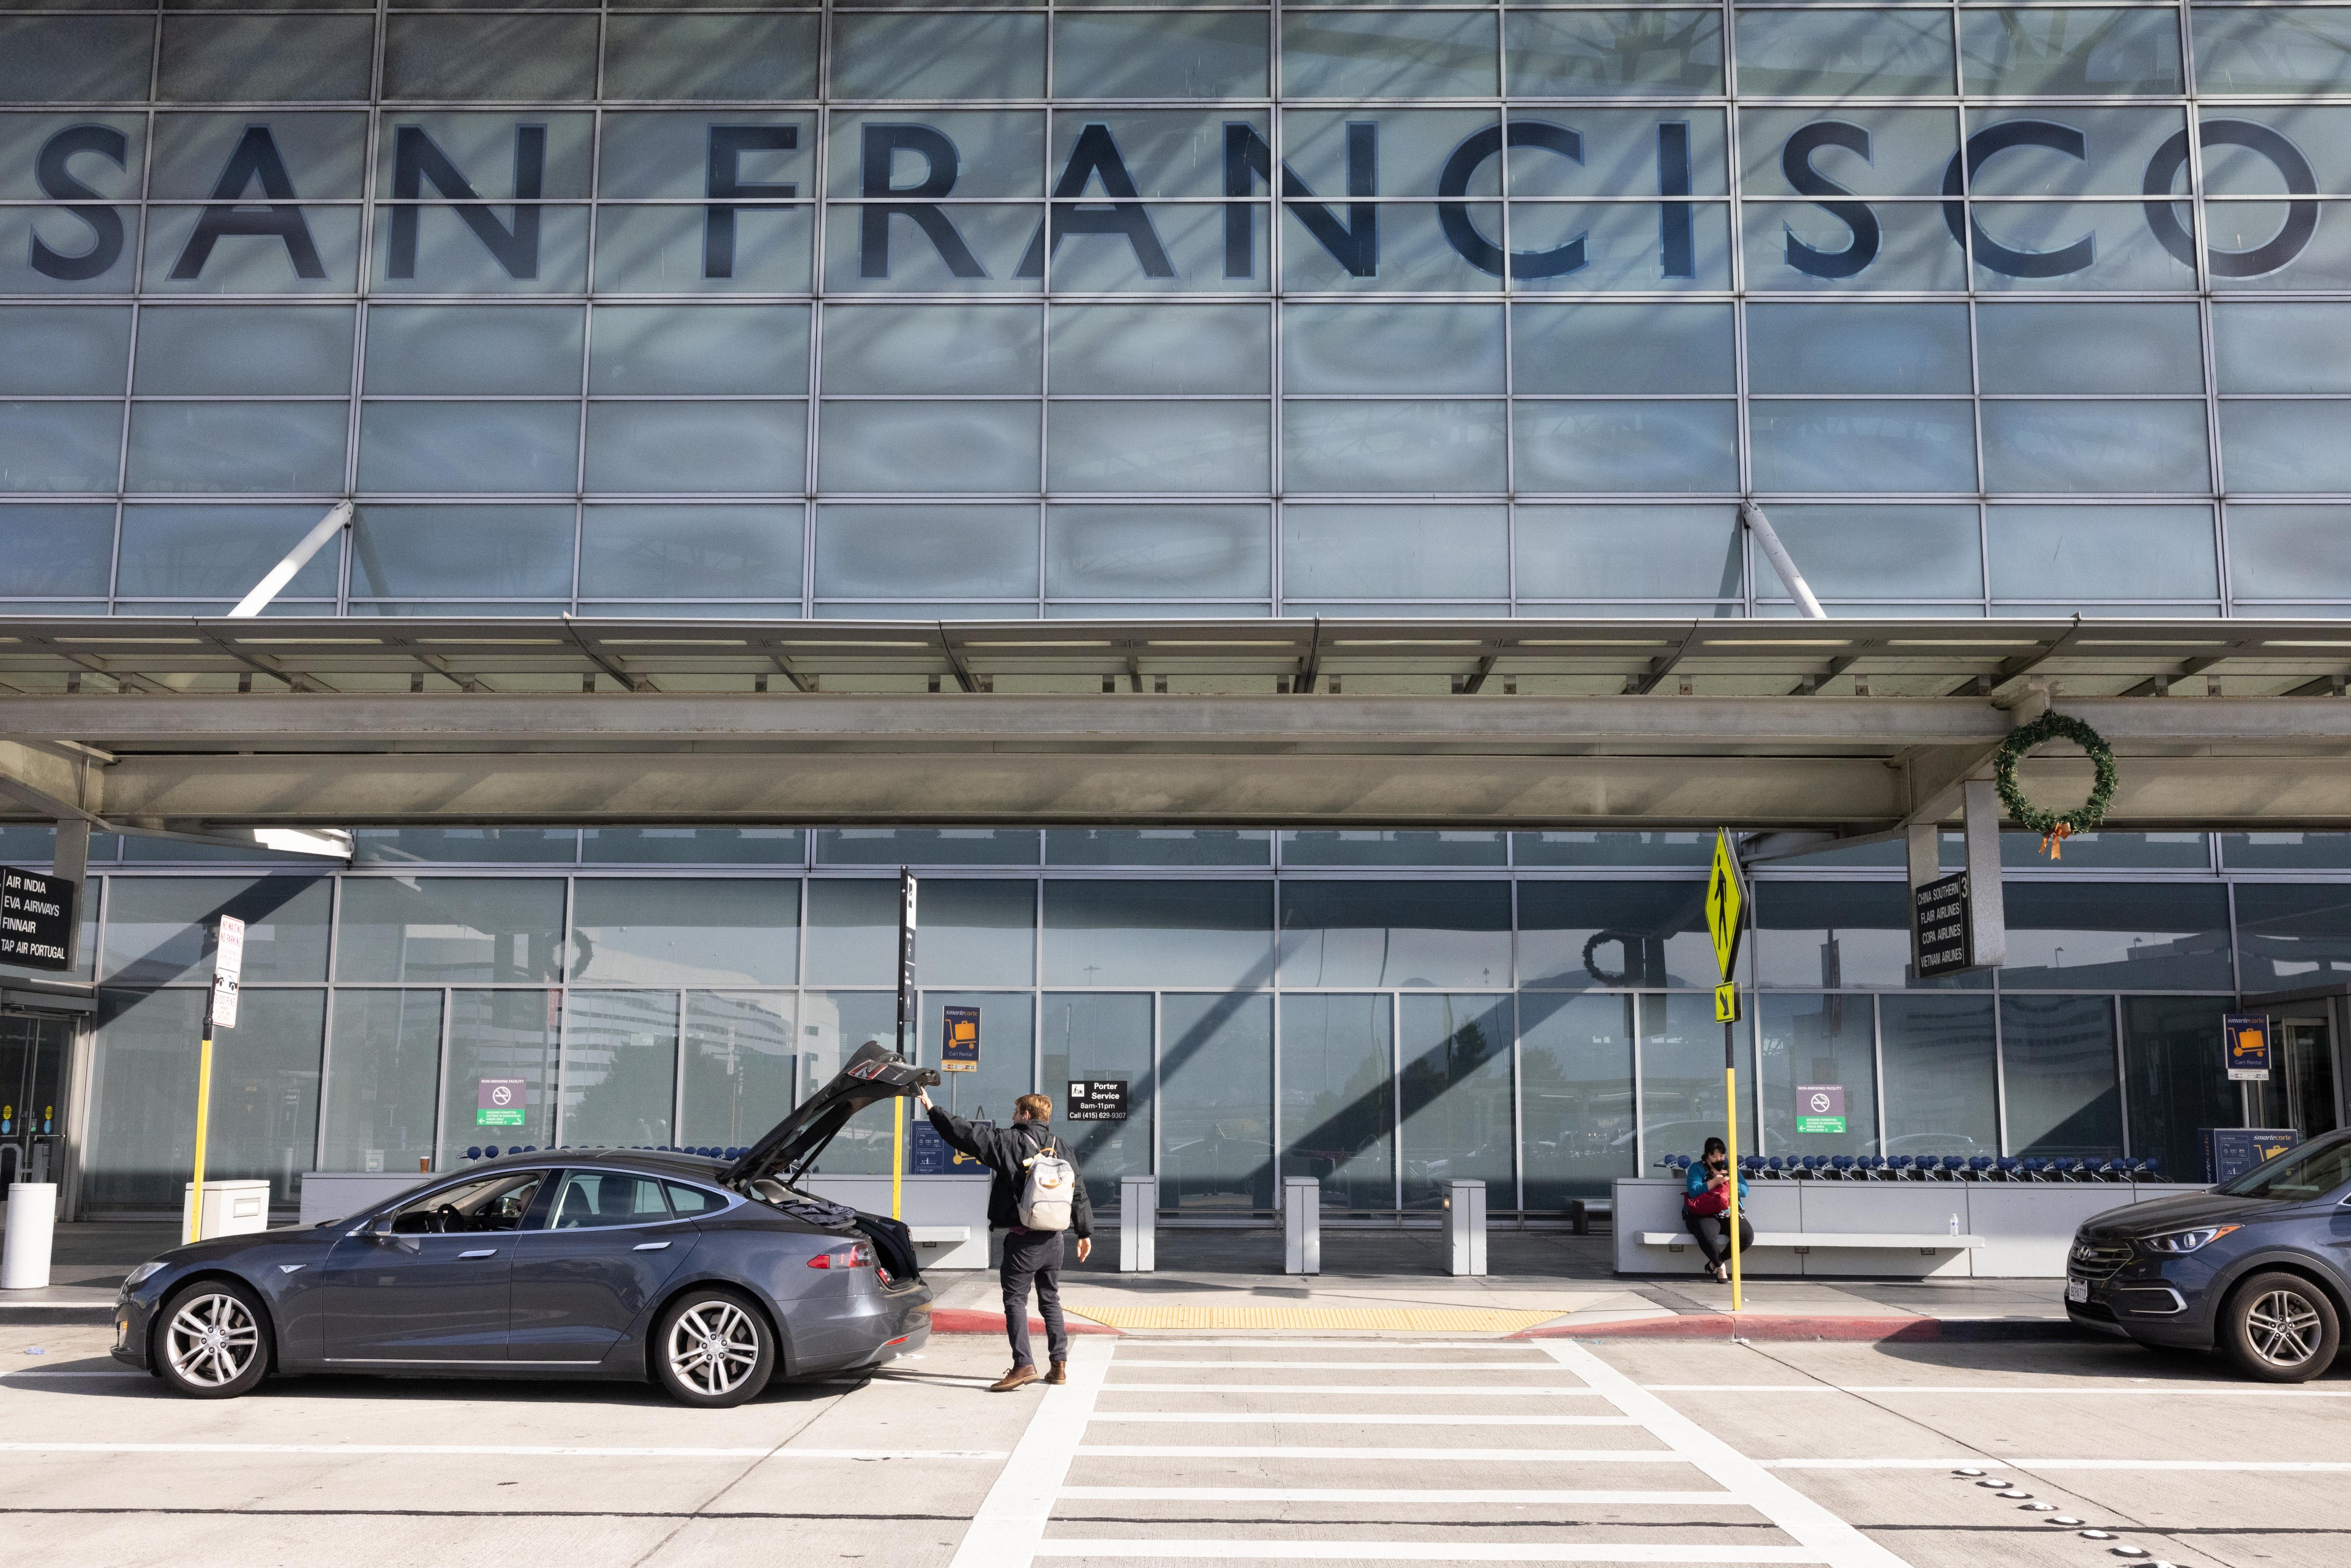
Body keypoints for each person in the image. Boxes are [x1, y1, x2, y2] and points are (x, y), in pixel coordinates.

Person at [917, 1086, 1093, 1392]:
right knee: (1050, 1300)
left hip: (1024, 1239)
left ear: (1025, 1114)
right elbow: (1078, 1192)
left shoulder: (1009, 1140)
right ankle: (1058, 1364)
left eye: (1015, 1112)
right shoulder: (1062, 1146)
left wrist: (933, 1109)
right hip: (1055, 1240)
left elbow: (965, 1134)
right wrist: (1084, 1232)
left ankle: (1024, 1364)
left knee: (1015, 1300)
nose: (1012, 1117)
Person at [1682, 1136, 1752, 1283]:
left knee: (1746, 1237)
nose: (1719, 1159)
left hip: (1729, 1212)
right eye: (1714, 1156)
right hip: (1704, 1212)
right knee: (1707, 1235)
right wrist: (1715, 1182)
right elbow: (1694, 1191)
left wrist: (1730, 1183)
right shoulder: (1697, 1168)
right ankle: (1721, 1268)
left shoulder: (1731, 1167)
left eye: (1722, 1155)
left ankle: (1714, 1262)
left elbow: (1745, 1191)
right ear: (1707, 1155)